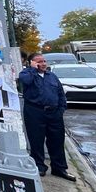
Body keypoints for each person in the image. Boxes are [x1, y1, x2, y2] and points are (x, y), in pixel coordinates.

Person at [19, 53, 76, 181]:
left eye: (44, 61)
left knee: (56, 141)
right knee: (36, 140)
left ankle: (59, 168)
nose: (43, 63)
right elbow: (26, 81)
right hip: (35, 112)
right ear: (32, 63)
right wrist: (33, 69)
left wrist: (61, 108)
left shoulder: (52, 76)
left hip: (54, 113)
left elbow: (60, 93)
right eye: (39, 61)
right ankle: (39, 166)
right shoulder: (27, 74)